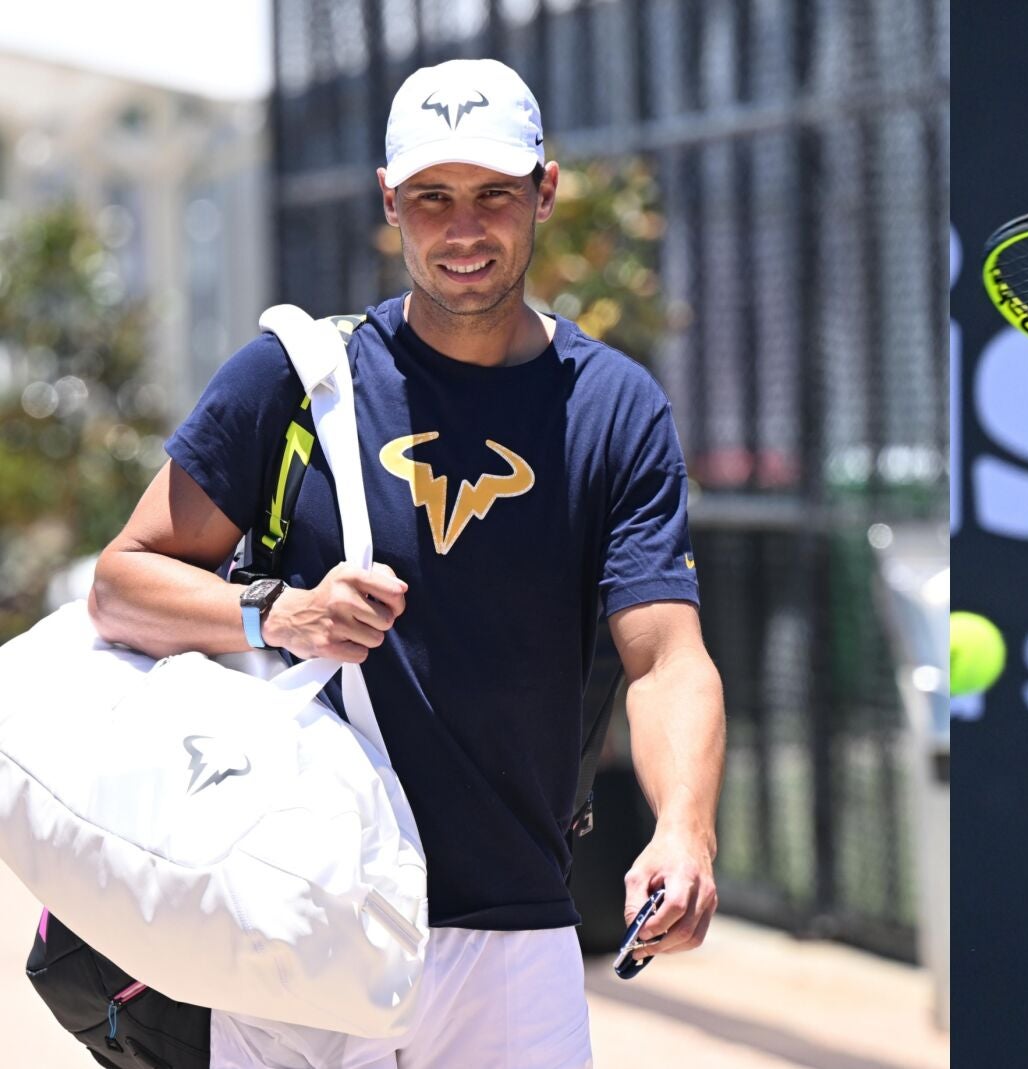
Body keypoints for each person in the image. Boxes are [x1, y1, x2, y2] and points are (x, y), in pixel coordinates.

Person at [87, 57, 723, 1068]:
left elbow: (666, 658)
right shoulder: (295, 380)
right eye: (431, 198)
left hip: (512, 925)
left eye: (491, 196)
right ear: (390, 201)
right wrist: (277, 611)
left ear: (543, 192)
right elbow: (120, 584)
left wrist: (684, 830)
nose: (461, 228)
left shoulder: (614, 408)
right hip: (292, 908)